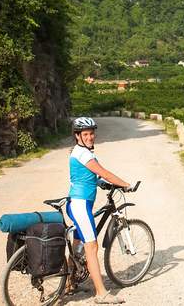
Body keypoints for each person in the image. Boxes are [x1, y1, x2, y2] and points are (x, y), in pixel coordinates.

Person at [67, 117, 131, 304]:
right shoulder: (84, 154)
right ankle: (101, 293)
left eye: (91, 133)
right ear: (77, 136)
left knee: (78, 242)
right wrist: (125, 184)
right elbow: (104, 172)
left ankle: (71, 282)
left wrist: (100, 183)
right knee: (91, 246)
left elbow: (88, 176)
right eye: (85, 134)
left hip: (78, 203)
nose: (89, 137)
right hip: (80, 205)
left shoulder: (80, 152)